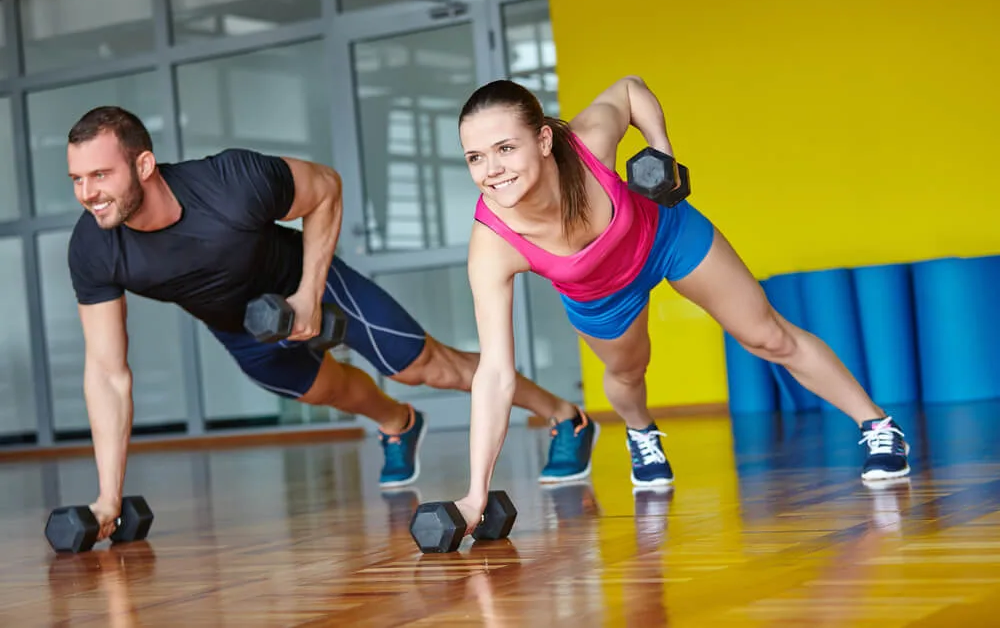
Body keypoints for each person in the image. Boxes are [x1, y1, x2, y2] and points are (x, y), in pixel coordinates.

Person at [65, 106, 588, 542]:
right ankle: (399, 424)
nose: (88, 193)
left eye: (101, 175)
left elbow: (325, 188)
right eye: (77, 179)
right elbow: (108, 373)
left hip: (307, 280)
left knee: (423, 367)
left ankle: (564, 415)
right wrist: (108, 495)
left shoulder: (229, 182)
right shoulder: (93, 247)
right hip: (240, 326)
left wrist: (309, 296)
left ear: (145, 164)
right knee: (328, 390)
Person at [451, 76, 911, 530]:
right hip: (601, 289)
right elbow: (494, 372)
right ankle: (642, 433)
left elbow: (630, 89)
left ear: (544, 140)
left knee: (767, 335)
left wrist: (661, 149)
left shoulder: (589, 143)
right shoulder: (494, 244)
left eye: (505, 148)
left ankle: (878, 428)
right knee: (629, 373)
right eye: (475, 157)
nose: (492, 169)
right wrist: (476, 494)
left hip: (663, 233)